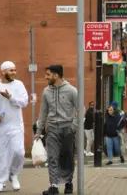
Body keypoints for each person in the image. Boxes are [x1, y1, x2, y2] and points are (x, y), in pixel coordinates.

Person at [35, 65, 79, 195]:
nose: (45, 77)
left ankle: (68, 183)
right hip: (53, 128)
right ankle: (53, 186)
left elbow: (80, 109)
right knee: (52, 157)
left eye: (48, 74)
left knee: (67, 157)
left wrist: (73, 126)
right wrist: (38, 131)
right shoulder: (46, 91)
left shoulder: (72, 90)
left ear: (56, 75)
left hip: (67, 129)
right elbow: (43, 112)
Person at [0, 61, 29, 192]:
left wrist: (10, 97)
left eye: (15, 70)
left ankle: (13, 174)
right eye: (11, 70)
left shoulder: (19, 84)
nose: (14, 73)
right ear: (3, 71)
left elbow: (24, 102)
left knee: (19, 152)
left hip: (16, 124)